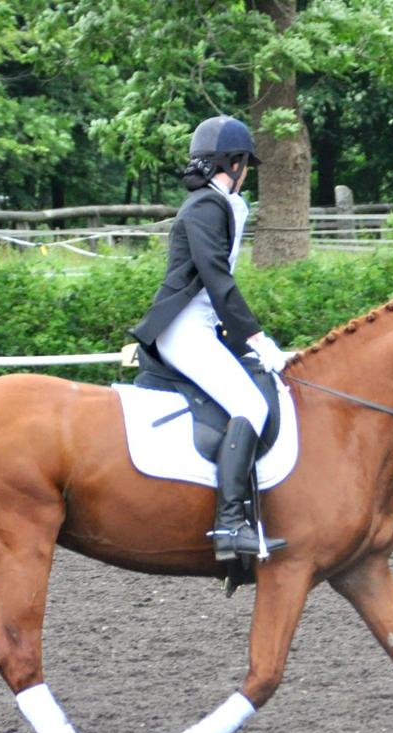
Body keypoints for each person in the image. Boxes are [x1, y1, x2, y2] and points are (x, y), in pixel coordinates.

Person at [131, 115, 289, 562]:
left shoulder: (220, 205)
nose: (248, 174)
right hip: (183, 330)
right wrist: (256, 338)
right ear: (234, 163)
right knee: (252, 406)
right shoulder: (205, 207)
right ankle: (230, 524)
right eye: (246, 166)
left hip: (202, 327)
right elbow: (217, 280)